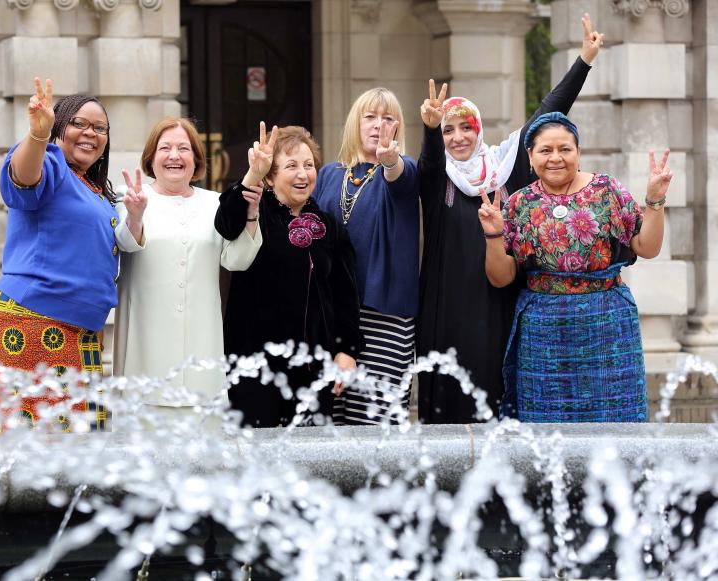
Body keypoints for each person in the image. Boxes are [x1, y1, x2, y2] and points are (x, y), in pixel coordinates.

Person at [417, 14, 604, 424]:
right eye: (449, 131)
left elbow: (546, 115)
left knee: (499, 402)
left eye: (465, 127)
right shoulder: (437, 180)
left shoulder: (504, 167)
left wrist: (584, 61)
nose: (458, 137)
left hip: (499, 303)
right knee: (448, 407)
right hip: (445, 310)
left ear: (478, 129)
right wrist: (429, 131)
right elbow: (430, 162)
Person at [478, 112, 671, 422]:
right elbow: (501, 278)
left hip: (606, 324)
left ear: (578, 152)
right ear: (530, 156)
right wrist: (493, 234)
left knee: (614, 420)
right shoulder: (518, 203)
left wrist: (655, 201)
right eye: (545, 150)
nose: (556, 157)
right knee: (545, 428)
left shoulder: (606, 190)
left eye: (565, 149)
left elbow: (646, 247)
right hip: (543, 329)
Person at [0, 78, 130, 431]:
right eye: (79, 123)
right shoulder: (50, 164)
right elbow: (23, 177)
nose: (89, 133)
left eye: (99, 128)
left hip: (81, 331)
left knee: (85, 439)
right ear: (60, 129)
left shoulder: (95, 188)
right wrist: (37, 134)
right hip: (34, 319)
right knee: (41, 445)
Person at [113, 117, 262, 413]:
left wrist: (251, 215)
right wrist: (136, 216)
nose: (174, 156)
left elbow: (237, 260)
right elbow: (126, 243)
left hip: (202, 353)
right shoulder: (129, 197)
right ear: (151, 158)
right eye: (165, 148)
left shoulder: (215, 203)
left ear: (196, 159)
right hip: (146, 353)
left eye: (183, 148)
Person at [215, 124, 361, 428]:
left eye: (309, 166)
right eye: (291, 166)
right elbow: (226, 223)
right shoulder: (254, 212)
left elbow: (345, 296)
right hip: (256, 367)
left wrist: (346, 350)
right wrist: (251, 175)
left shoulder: (329, 226)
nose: (302, 174)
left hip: (314, 367)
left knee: (312, 463)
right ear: (270, 175)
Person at [313, 88, 419, 425]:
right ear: (355, 123)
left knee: (375, 424)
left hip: (383, 316)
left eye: (388, 119)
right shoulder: (329, 174)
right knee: (331, 421)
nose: (378, 126)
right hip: (334, 315)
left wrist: (391, 161)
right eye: (370, 117)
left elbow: (399, 179)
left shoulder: (405, 170)